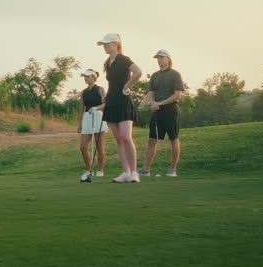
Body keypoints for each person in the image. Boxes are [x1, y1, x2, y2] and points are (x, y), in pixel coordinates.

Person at [97, 33, 143, 183]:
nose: (104, 46)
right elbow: (112, 84)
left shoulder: (124, 59)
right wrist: (106, 97)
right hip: (111, 103)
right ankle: (126, 172)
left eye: (106, 44)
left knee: (126, 137)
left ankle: (134, 172)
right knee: (119, 140)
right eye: (103, 44)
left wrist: (127, 86)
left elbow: (138, 72)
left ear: (115, 44)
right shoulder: (107, 62)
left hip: (123, 102)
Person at [139, 49, 184, 177]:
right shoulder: (155, 76)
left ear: (168, 59)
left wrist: (160, 103)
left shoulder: (175, 74)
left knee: (173, 139)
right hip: (156, 111)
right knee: (152, 140)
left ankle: (172, 170)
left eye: (162, 57)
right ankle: (145, 170)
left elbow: (177, 95)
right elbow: (151, 93)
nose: (159, 60)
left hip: (171, 110)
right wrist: (153, 103)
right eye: (158, 58)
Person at [78, 69, 107, 181]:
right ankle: (89, 169)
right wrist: (80, 124)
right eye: (84, 76)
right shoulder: (83, 92)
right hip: (87, 118)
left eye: (88, 76)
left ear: (94, 77)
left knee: (99, 146)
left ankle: (100, 170)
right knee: (83, 147)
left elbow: (105, 103)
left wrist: (97, 108)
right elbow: (81, 109)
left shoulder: (100, 89)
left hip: (98, 116)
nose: (86, 78)